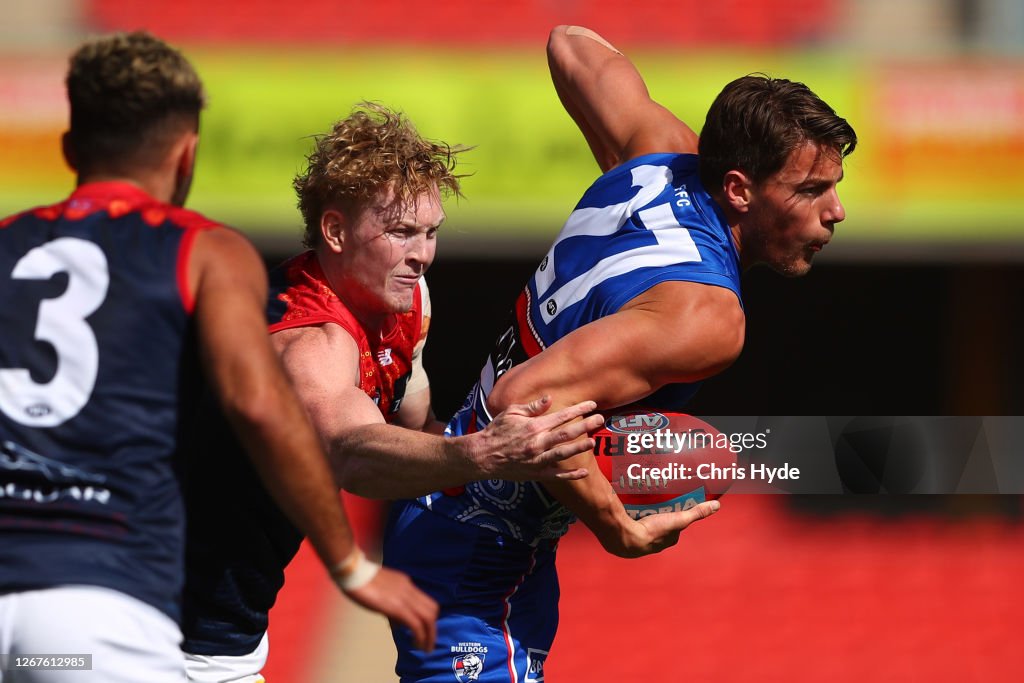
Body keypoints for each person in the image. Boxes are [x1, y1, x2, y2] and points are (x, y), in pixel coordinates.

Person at [382, 25, 858, 681]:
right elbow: (521, 400)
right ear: (741, 191)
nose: (836, 211)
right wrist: (616, 527)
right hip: (475, 559)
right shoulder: (708, 315)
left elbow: (568, 44)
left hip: (474, 532)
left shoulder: (656, 153)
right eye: (810, 190)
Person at [0, 32, 433, 683]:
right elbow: (258, 404)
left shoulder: (8, 242)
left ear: (68, 148)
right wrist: (351, 563)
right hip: (107, 616)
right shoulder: (206, 251)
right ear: (187, 154)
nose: (421, 251)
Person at [181, 103, 605, 682]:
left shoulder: (404, 304)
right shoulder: (311, 342)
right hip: (157, 629)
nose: (422, 254)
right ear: (334, 230)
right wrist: (486, 454)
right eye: (400, 233)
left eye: (430, 232)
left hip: (221, 625)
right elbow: (352, 451)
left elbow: (416, 431)